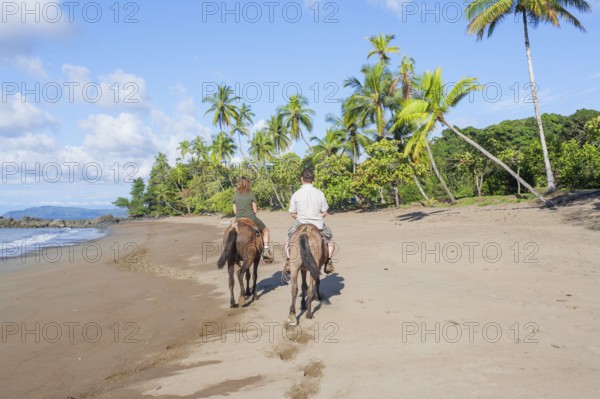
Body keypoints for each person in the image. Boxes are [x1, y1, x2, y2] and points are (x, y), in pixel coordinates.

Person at [284, 168, 335, 274]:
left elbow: (292, 213)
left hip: (301, 223)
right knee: (330, 240)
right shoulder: (319, 193)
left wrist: (301, 217)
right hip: (318, 224)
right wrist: (317, 217)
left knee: (288, 239)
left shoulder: (296, 194)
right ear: (313, 180)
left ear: (302, 179)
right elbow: (325, 212)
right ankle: (328, 261)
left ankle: (289, 261)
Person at [232, 177, 273, 262]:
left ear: (238, 184)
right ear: (248, 184)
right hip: (251, 217)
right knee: (265, 231)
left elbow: (235, 211)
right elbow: (255, 211)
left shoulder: (235, 195)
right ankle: (266, 250)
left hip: (238, 219)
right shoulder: (250, 194)